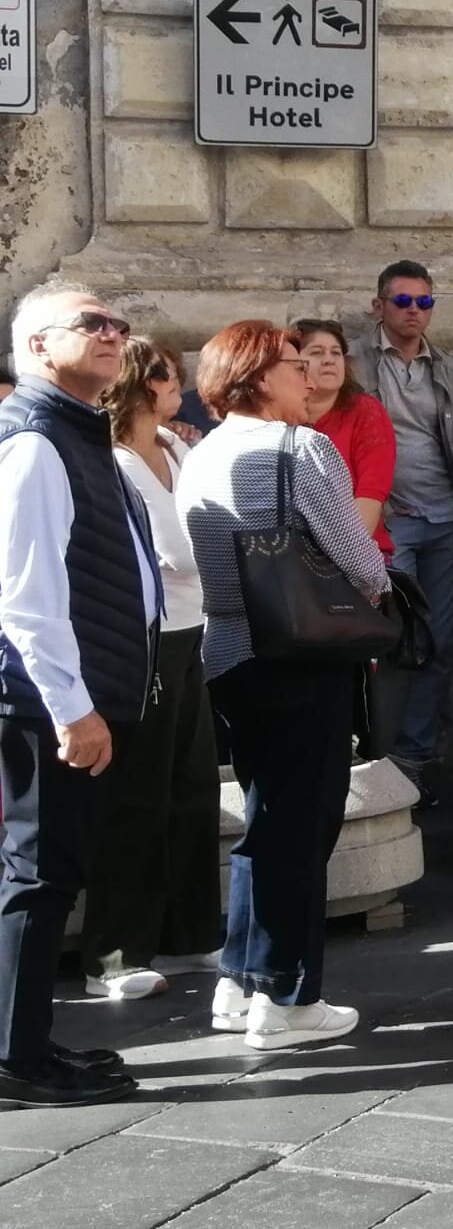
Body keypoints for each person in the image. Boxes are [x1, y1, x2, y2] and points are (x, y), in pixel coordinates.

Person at [178, 320, 388, 1050]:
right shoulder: (302, 448)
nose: (310, 379)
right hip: (302, 651)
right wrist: (383, 589)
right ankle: (287, 997)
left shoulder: (199, 453)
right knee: (303, 823)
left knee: (266, 819)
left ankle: (239, 980)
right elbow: (357, 557)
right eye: (296, 365)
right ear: (260, 374)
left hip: (228, 649)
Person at [0, 283, 156, 1106]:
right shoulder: (33, 440)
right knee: (36, 873)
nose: (112, 334)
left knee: (52, 872)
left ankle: (24, 1040)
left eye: (118, 323)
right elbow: (26, 595)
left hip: (78, 692)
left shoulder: (76, 432)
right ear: (34, 347)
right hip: (44, 701)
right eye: (91, 323)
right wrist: (71, 707)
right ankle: (15, 1061)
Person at [84, 339, 221, 1003]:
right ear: (145, 385)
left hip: (193, 629)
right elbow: (177, 549)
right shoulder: (116, 463)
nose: (182, 389)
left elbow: (197, 535)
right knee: (140, 794)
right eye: (172, 379)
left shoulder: (175, 447)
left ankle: (191, 933)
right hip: (147, 639)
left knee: (193, 783)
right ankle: (115, 952)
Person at [355, 260, 453, 801]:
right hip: (388, 524)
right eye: (403, 301)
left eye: (425, 302)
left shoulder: (449, 369)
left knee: (439, 641)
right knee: (392, 641)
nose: (415, 312)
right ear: (379, 306)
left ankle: (412, 755)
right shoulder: (354, 361)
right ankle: (378, 757)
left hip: (446, 523)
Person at [294, 319, 396, 558]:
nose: (329, 360)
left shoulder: (365, 411)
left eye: (336, 353)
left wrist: (336, 562)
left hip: (355, 559)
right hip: (291, 564)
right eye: (316, 352)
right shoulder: (279, 416)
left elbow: (370, 496)